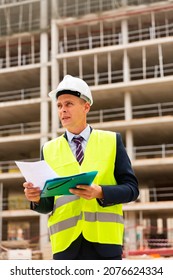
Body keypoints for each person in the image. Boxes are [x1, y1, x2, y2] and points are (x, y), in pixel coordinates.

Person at [23, 74, 139, 260]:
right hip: (65, 247)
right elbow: (47, 205)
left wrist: (100, 192)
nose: (63, 110)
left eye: (69, 104)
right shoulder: (49, 149)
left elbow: (132, 190)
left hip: (105, 245)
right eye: (59, 106)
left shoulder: (111, 141)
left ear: (86, 107)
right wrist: (36, 198)